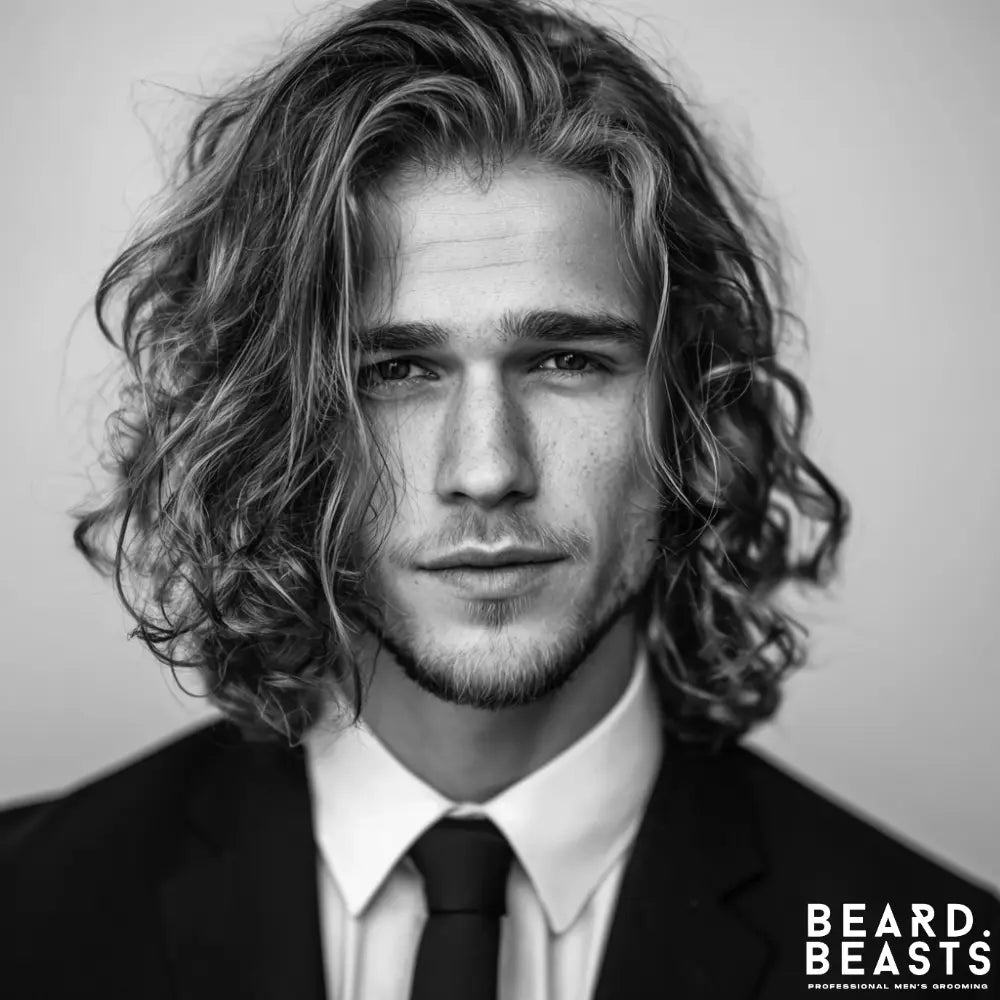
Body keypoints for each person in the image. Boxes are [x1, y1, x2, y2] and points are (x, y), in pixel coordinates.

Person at [2, 0, 997, 997]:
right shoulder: (31, 910)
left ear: (695, 404)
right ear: (266, 422)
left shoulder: (937, 961)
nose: (485, 468)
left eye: (566, 359)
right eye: (394, 371)